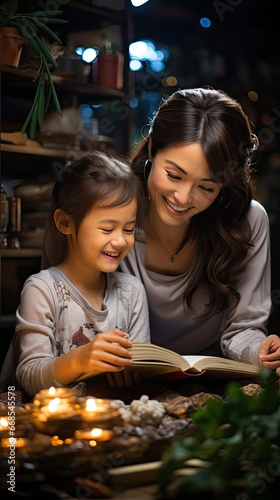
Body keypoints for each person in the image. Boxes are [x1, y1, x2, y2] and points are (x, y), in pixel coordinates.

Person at [119, 87, 280, 375]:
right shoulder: (110, 209)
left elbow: (242, 330)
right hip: (116, 382)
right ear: (153, 148)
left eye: (206, 187)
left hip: (208, 385)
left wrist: (261, 352)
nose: (182, 198)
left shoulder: (247, 221)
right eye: (173, 175)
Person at [0, 150, 150, 398]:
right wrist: (81, 360)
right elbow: (28, 375)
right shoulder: (43, 289)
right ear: (65, 223)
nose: (120, 240)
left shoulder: (131, 291)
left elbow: (142, 368)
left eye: (129, 229)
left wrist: (134, 373)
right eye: (107, 228)